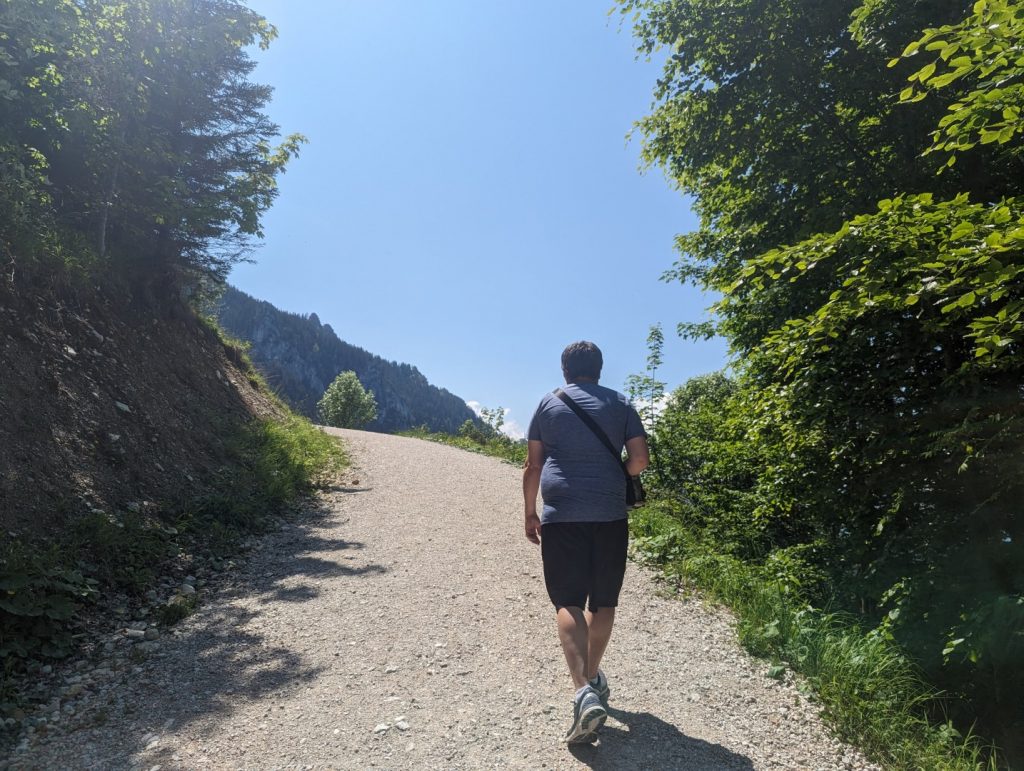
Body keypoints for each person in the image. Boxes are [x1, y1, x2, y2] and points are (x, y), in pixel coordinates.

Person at [523, 340, 649, 745]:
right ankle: (592, 678)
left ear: (565, 370)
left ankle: (583, 692)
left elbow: (533, 464)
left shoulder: (548, 404)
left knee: (568, 601)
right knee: (604, 602)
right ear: (599, 368)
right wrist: (618, 473)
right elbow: (640, 460)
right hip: (610, 516)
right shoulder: (620, 403)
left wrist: (530, 511)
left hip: (563, 517)